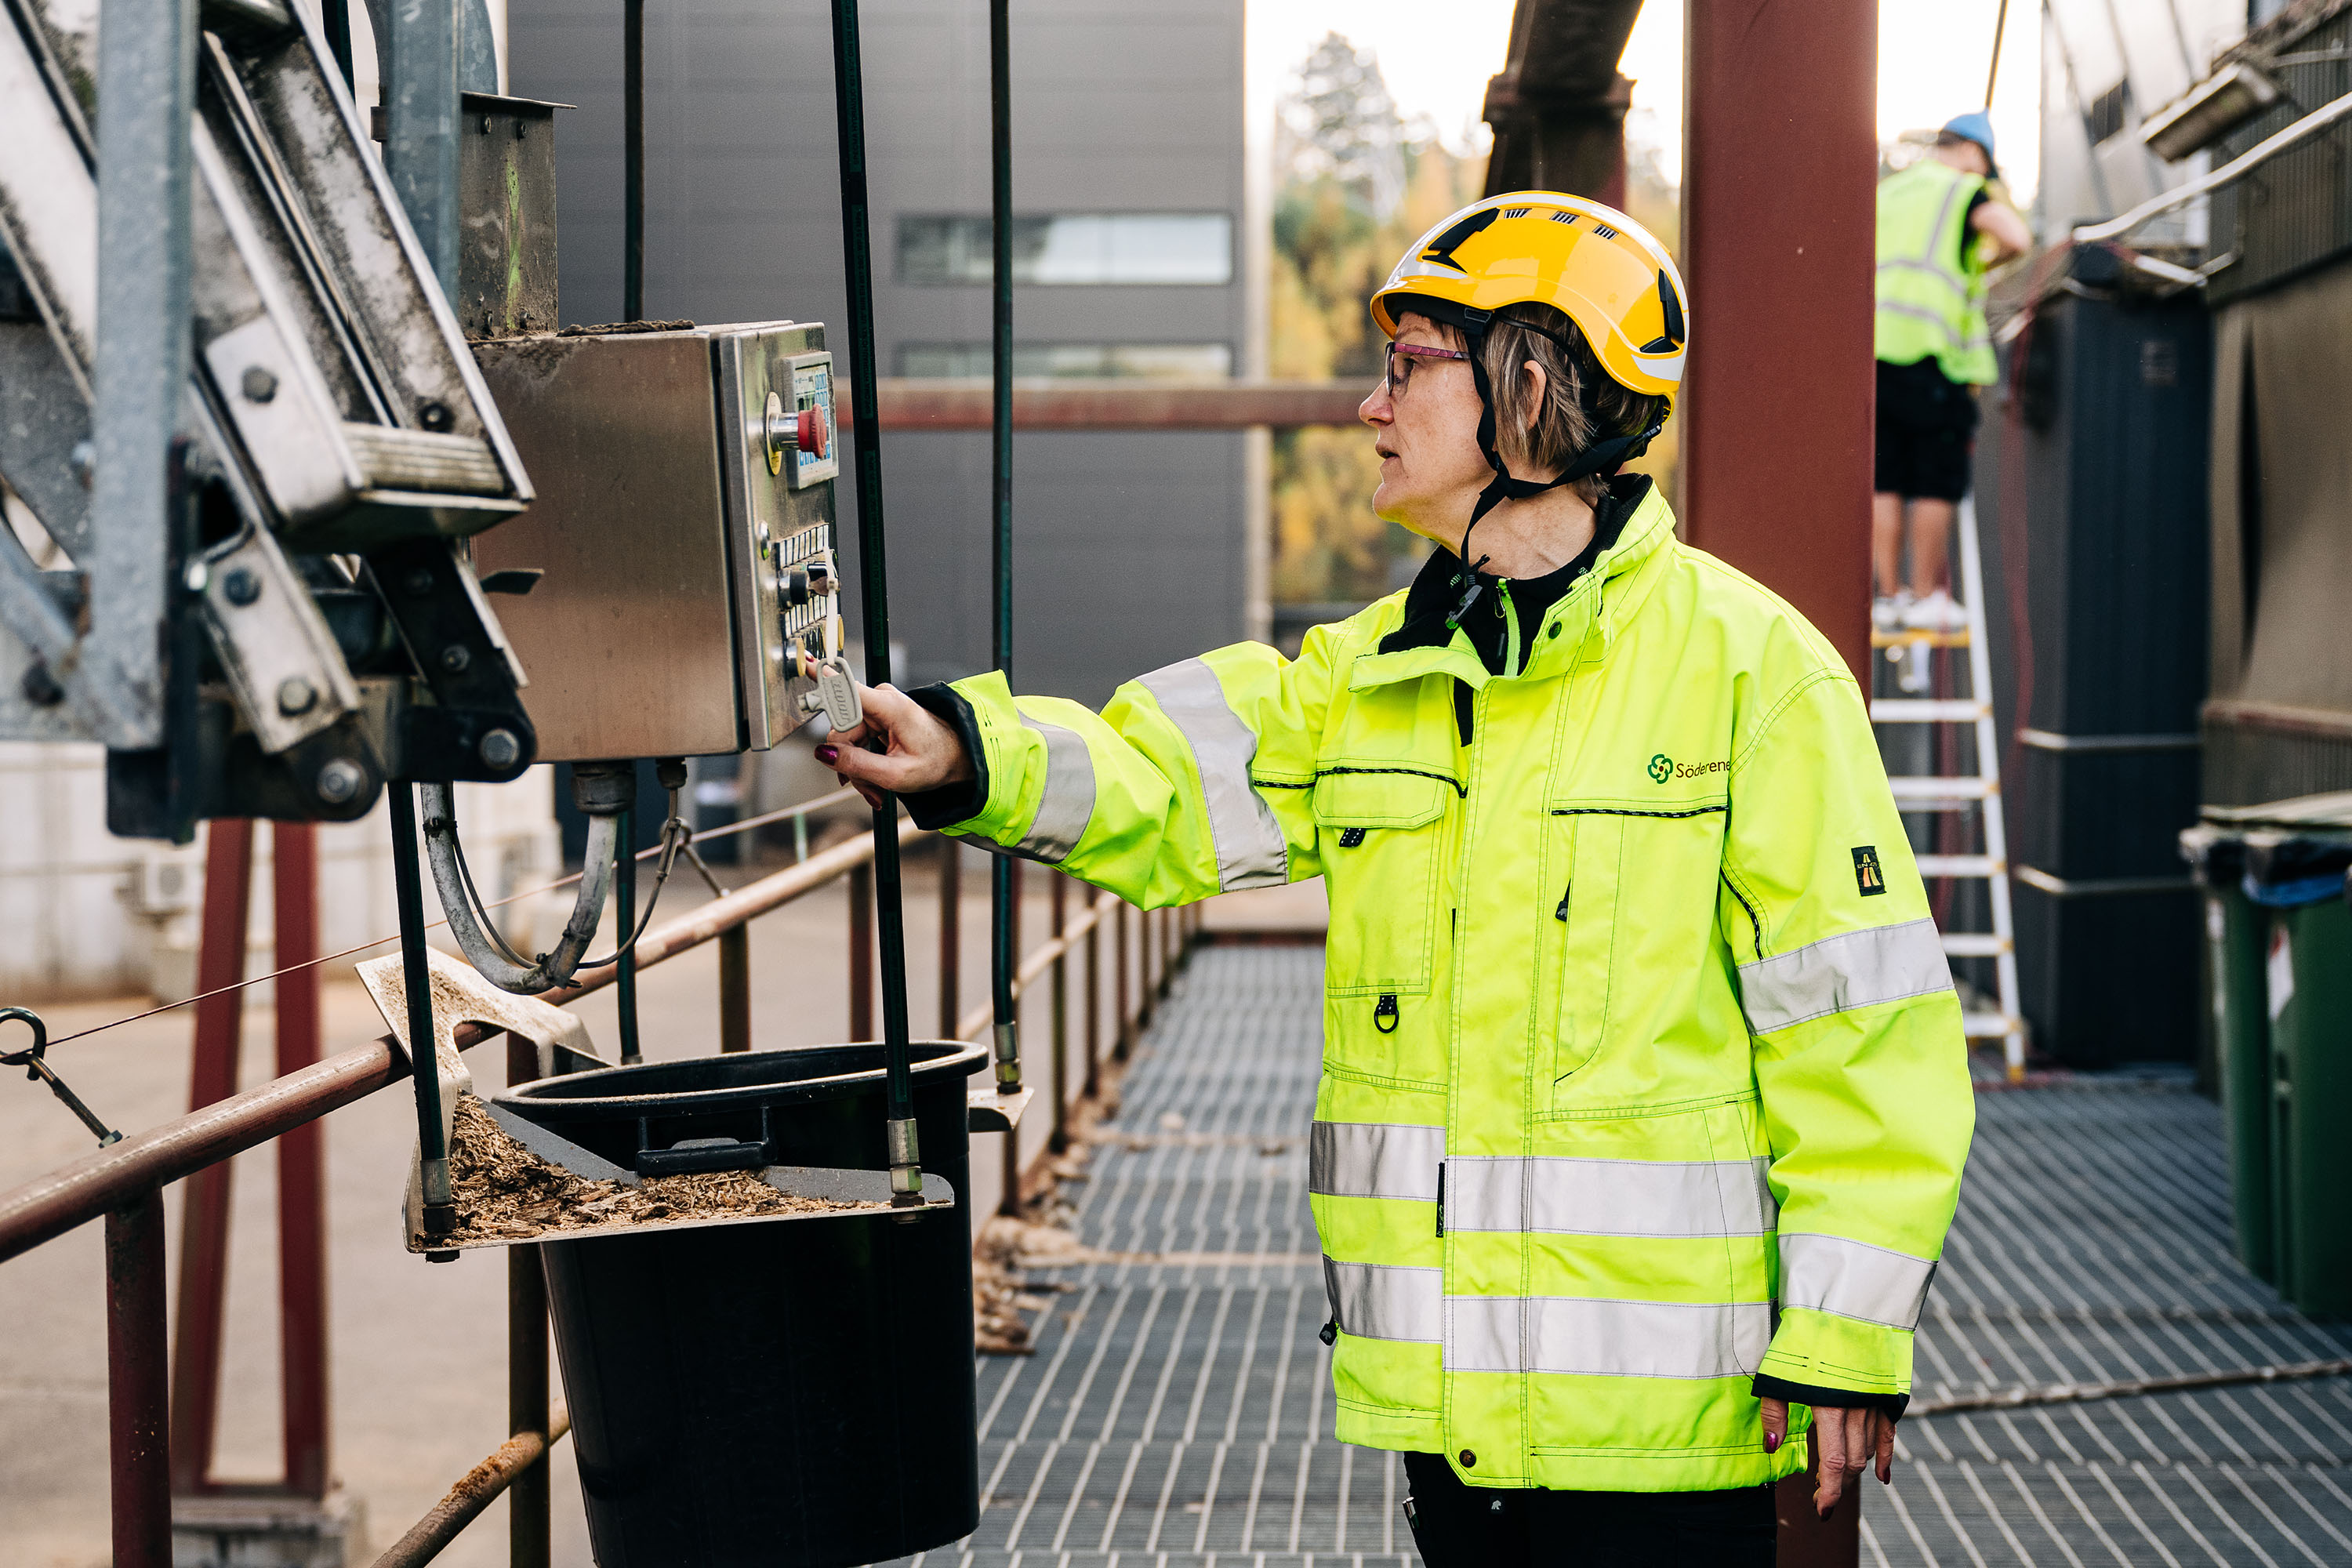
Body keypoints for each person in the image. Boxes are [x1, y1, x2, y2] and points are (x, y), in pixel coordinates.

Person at [821, 193, 1974, 1565]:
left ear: (1528, 384)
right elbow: (1164, 783)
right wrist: (966, 751)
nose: (1371, 410)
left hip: (1666, 1440)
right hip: (1446, 1431)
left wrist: (1846, 1337)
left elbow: (1862, 1031)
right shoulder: (1370, 675)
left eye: (1408, 365)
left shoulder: (1753, 676)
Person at [1873, 110, 2031, 634]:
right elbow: (2017, 237)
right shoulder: (1961, 191)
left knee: (1885, 480)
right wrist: (1981, 264)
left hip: (1876, 353)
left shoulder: (1889, 192)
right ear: (1971, 152)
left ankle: (1888, 597)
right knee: (1935, 481)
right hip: (1931, 354)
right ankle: (1922, 598)